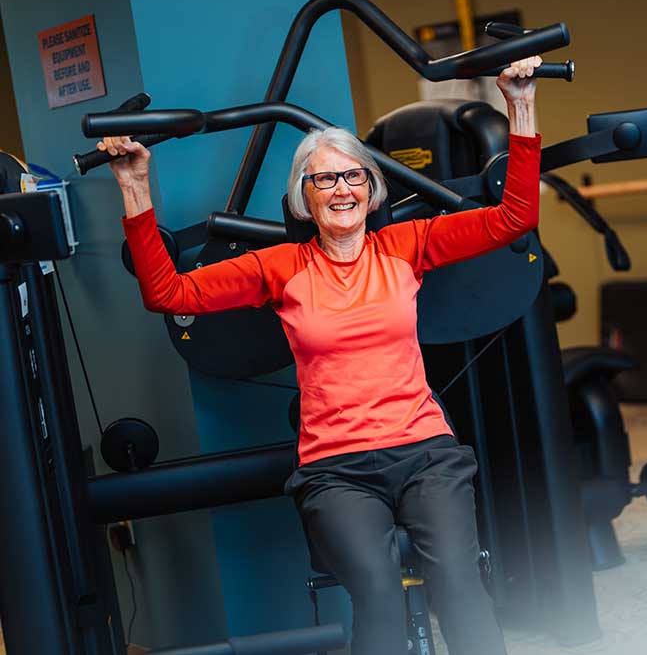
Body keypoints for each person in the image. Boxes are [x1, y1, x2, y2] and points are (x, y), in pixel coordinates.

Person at [98, 55, 543, 655]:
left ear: (371, 188)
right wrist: (133, 187)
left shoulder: (405, 246)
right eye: (324, 180)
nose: (341, 190)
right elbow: (167, 293)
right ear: (304, 197)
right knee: (379, 594)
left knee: (461, 587)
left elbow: (515, 217)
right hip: (337, 470)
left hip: (426, 454)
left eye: (353, 177)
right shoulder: (280, 268)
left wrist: (519, 105)